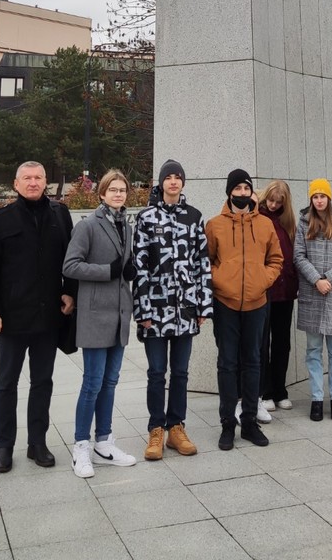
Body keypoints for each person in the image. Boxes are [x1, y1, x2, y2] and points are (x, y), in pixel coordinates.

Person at [0, 161, 75, 473]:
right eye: (27, 178)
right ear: (16, 184)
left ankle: (37, 443)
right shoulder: (1, 219)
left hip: (48, 319)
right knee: (6, 383)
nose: (33, 183)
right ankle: (4, 446)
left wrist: (69, 292)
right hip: (12, 319)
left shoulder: (60, 215)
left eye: (38, 178)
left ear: (46, 182)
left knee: (42, 382)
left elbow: (71, 260)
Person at [133, 159, 212, 460]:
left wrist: (203, 304)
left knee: (180, 372)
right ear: (161, 182)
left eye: (178, 177)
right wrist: (143, 310)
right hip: (155, 310)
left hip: (186, 310)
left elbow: (202, 264)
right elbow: (139, 266)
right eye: (169, 177)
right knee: (157, 372)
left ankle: (176, 427)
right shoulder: (146, 218)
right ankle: (156, 429)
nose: (174, 181)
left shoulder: (194, 217)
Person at [63, 169, 137, 478]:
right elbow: (70, 266)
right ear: (102, 193)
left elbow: (124, 266)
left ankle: (104, 441)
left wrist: (129, 270)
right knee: (92, 383)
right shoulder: (88, 226)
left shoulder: (127, 227)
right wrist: (108, 270)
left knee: (110, 382)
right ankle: (81, 445)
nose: (118, 194)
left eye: (122, 190)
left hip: (119, 315)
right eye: (113, 190)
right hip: (94, 316)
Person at [206, 168, 283, 451]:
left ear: (251, 192)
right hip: (225, 304)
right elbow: (206, 260)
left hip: (256, 303)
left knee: (253, 362)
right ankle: (228, 423)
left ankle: (249, 421)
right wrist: (220, 280)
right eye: (237, 188)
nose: (242, 193)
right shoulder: (214, 225)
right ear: (229, 192)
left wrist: (263, 280)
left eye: (246, 188)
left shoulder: (265, 224)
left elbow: (276, 259)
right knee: (227, 364)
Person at [294, 179, 332, 422]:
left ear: (329, 198)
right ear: (311, 199)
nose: (319, 200)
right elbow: (298, 256)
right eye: (315, 196)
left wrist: (329, 278)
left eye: (323, 196)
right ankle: (317, 399)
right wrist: (316, 279)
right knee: (313, 350)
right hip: (312, 294)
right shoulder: (303, 223)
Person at [258, 180, 299, 412]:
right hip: (265, 290)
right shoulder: (258, 217)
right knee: (263, 343)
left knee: (282, 342)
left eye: (278, 202)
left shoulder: (288, 223)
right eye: (271, 200)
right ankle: (265, 391)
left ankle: (280, 389)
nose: (273, 205)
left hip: (286, 291)